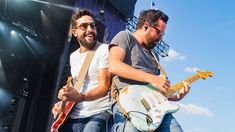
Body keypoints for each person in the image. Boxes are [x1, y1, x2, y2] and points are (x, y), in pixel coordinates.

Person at [109, 9, 190, 132]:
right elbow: (114, 66)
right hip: (128, 102)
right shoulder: (125, 37)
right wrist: (152, 78)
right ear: (146, 26)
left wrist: (175, 97)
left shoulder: (155, 57)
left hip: (154, 108)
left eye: (162, 35)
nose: (160, 38)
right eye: (158, 32)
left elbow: (155, 91)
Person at [52, 9, 112, 132]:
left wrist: (80, 97)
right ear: (74, 32)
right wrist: (65, 95)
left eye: (92, 25)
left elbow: (104, 86)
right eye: (84, 26)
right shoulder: (73, 56)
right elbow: (78, 84)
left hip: (98, 114)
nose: (89, 29)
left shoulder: (104, 50)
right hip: (73, 116)